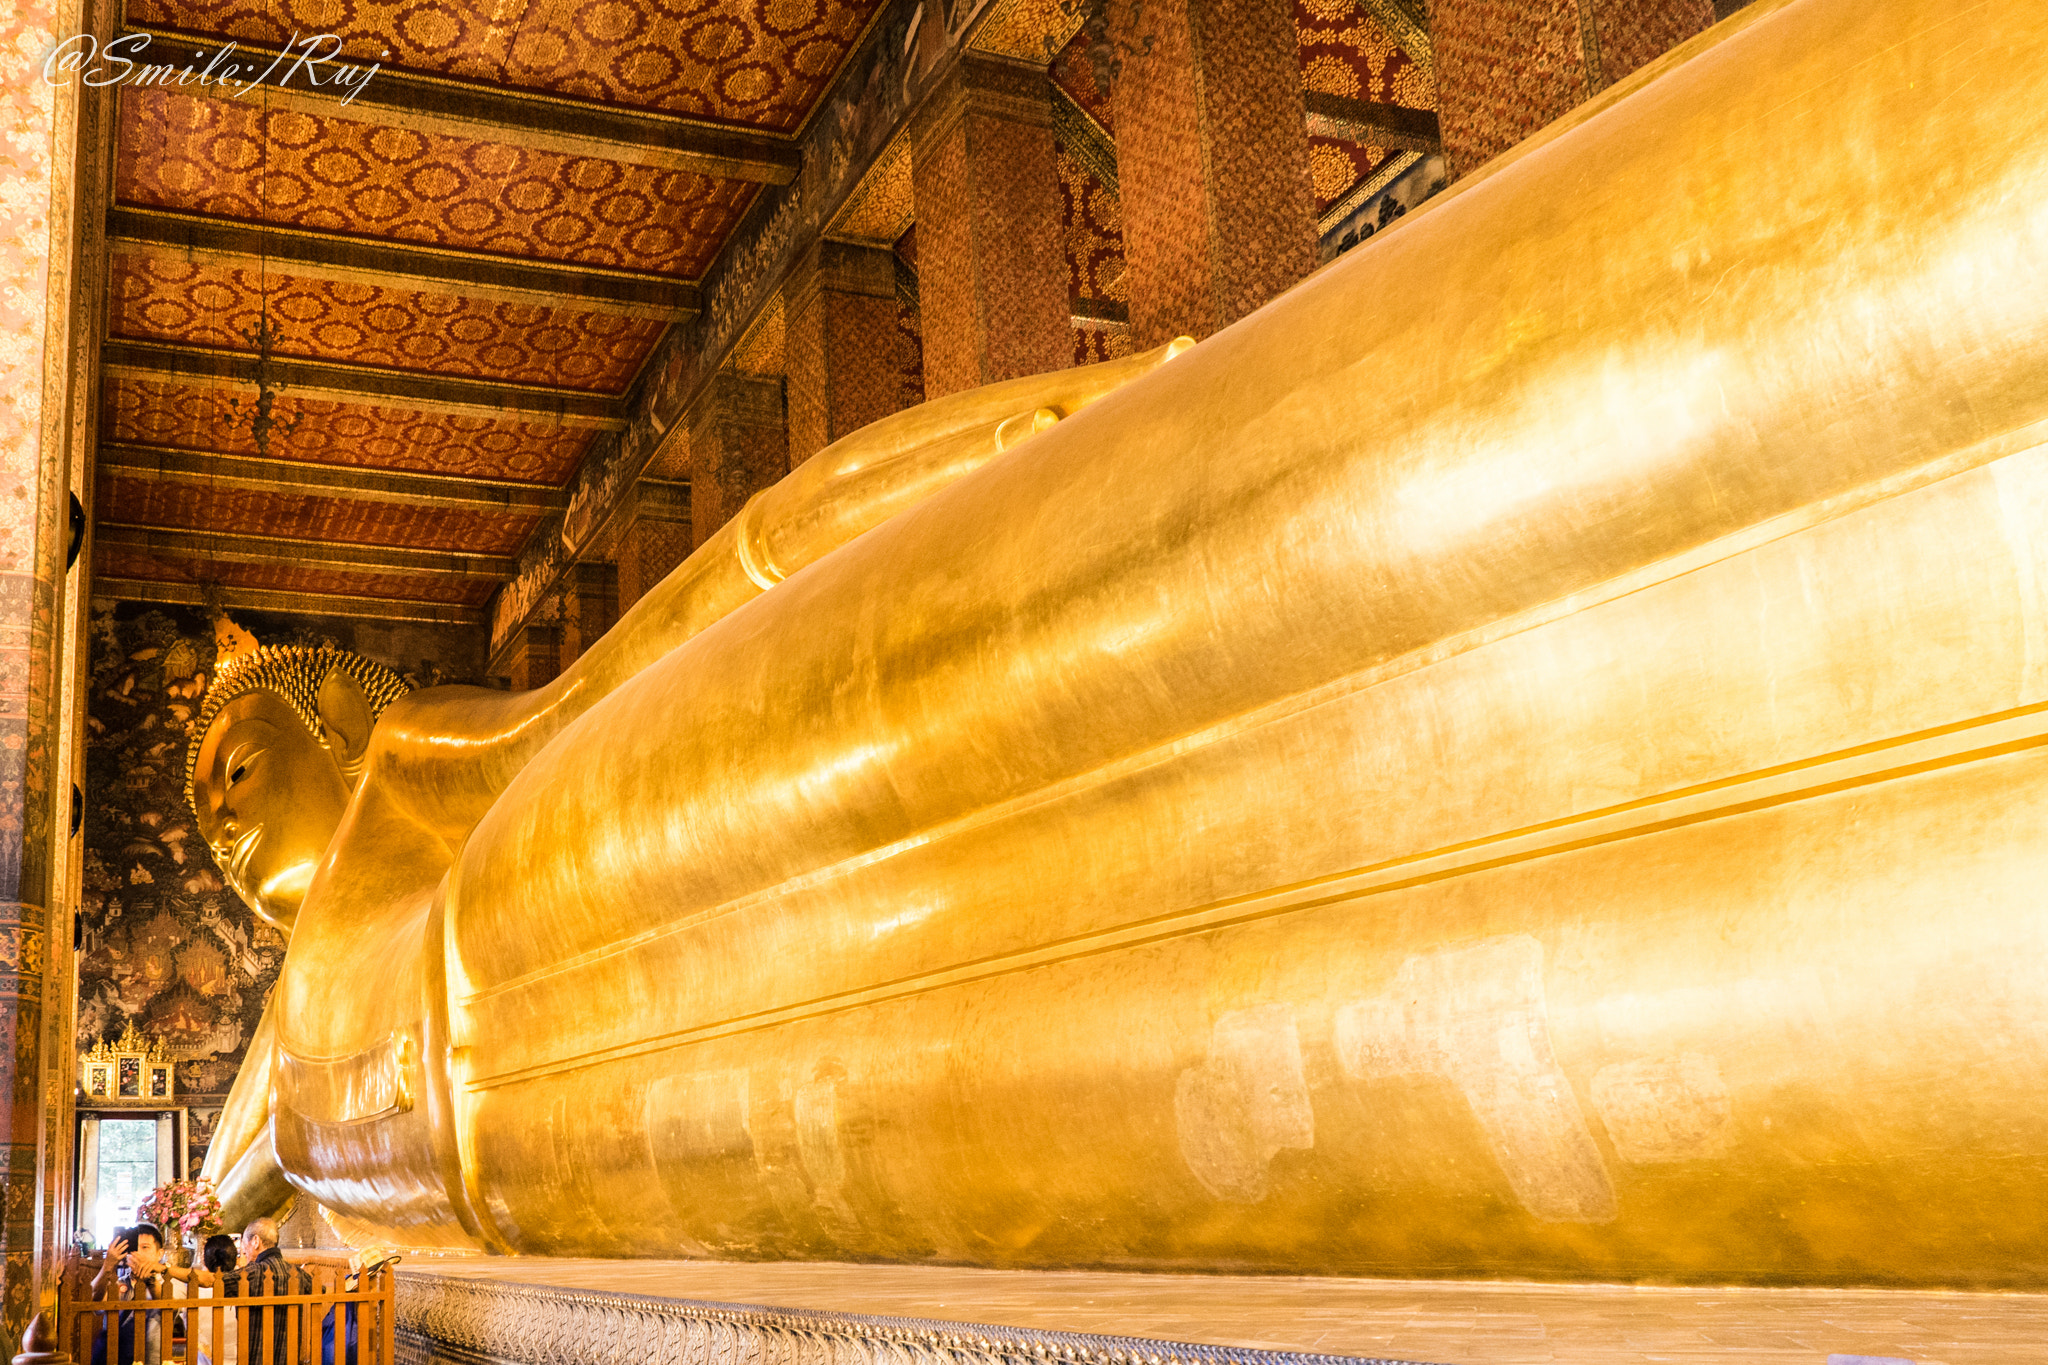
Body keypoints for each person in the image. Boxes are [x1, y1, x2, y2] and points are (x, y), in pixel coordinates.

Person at [215, 1218, 307, 1365]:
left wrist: (167, 1269)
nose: (243, 1251)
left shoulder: (253, 1274)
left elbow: (213, 1282)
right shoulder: (298, 1274)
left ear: (256, 1241)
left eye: (244, 1244)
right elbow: (323, 1290)